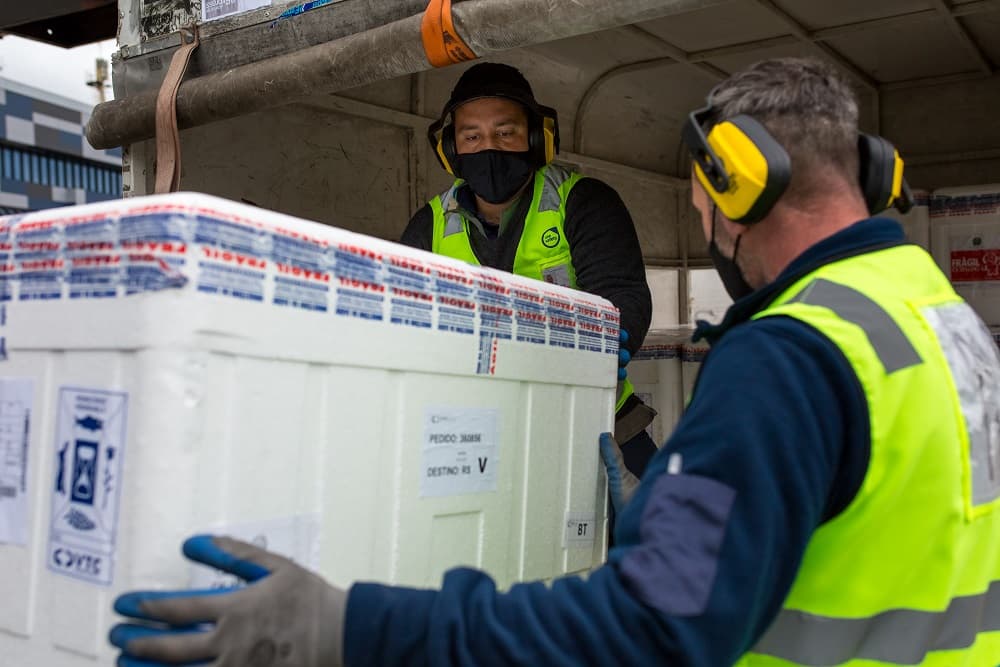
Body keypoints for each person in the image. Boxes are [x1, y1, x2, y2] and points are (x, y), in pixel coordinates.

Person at [109, 57, 1000, 666]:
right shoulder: (941, 318)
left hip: (589, 433)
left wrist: (350, 624)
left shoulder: (788, 356)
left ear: (738, 181)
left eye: (704, 206)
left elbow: (648, 624)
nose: (710, 229)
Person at [401, 62, 658, 478]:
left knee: (663, 534)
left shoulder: (585, 201)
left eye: (506, 132)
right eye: (472, 136)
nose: (490, 146)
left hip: (601, 424)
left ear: (536, 138)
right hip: (476, 431)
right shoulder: (427, 225)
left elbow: (621, 295)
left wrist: (605, 351)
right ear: (451, 149)